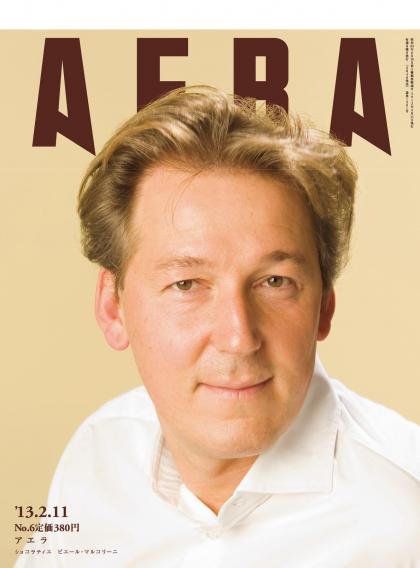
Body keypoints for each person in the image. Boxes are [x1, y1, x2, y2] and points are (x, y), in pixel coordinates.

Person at [16, 85, 420, 567]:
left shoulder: (406, 512)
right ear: (112, 307)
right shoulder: (98, 457)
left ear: (324, 305)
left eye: (275, 281)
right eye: (186, 284)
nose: (238, 337)